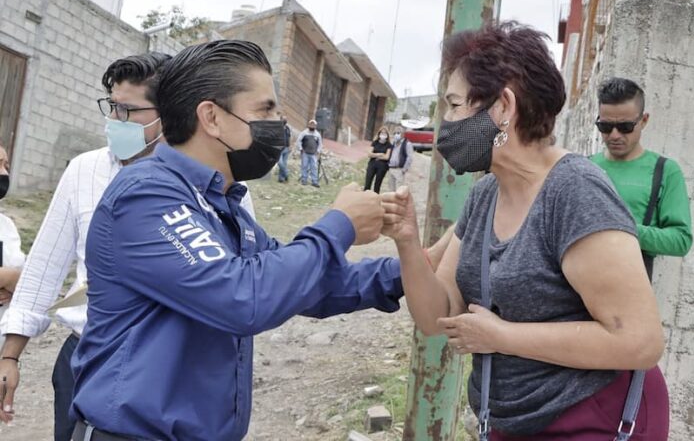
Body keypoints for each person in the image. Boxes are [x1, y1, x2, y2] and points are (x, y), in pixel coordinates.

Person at [67, 39, 407, 441]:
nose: (279, 123)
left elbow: (305, 284)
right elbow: (243, 297)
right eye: (265, 109)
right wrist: (340, 225)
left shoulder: (221, 205)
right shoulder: (146, 195)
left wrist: (411, 270)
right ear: (210, 117)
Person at [381, 22, 668, 440]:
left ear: (503, 107)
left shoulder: (574, 191)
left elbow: (641, 342)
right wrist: (407, 241)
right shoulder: (484, 196)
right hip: (511, 422)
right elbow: (437, 316)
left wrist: (503, 337)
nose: (447, 121)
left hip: (592, 418)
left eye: (456, 104)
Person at [0, 52, 256, 440]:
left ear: (171, 111)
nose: (115, 121)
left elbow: (240, 283)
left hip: (174, 371)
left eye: (129, 110)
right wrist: (9, 355)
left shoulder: (220, 184)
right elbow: (44, 267)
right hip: (88, 360)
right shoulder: (85, 171)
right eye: (112, 107)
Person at [590, 77, 692, 280]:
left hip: (629, 292)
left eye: (625, 126)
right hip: (573, 293)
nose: (614, 135)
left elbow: (681, 240)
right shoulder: (584, 167)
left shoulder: (665, 171)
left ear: (644, 120)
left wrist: (625, 229)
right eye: (605, 127)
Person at [0, 144, 25, 350]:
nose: (4, 172)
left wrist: (14, 280)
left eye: (6, 165)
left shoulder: (6, 225)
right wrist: (10, 278)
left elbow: (26, 282)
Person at [364, 126, 392, 193]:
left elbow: (386, 157)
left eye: (385, 133)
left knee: (377, 184)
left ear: (387, 135)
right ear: (379, 134)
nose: (383, 135)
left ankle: (375, 200)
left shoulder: (389, 145)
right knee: (368, 182)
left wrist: (375, 155)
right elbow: (369, 154)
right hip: (372, 164)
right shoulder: (375, 142)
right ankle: (365, 198)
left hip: (382, 166)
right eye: (381, 133)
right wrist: (380, 154)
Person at [296, 118, 322, 187]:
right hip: (305, 153)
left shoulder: (317, 134)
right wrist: (301, 149)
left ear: (315, 126)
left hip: (313, 154)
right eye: (311, 124)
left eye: (314, 125)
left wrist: (318, 151)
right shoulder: (304, 133)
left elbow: (320, 144)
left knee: (314, 167)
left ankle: (314, 181)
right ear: (309, 125)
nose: (312, 126)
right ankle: (304, 180)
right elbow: (298, 141)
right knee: (304, 166)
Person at [387, 126, 414, 192]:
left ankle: (397, 202)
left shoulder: (407, 144)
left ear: (403, 134)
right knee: (391, 190)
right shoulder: (394, 143)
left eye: (398, 133)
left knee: (399, 191)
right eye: (395, 133)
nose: (396, 134)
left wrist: (404, 169)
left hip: (399, 170)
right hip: (391, 169)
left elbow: (409, 157)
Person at [277, 113, 292, 183]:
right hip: (279, 148)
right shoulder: (277, 127)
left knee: (284, 163)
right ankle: (286, 174)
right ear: (280, 120)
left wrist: (290, 146)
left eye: (285, 119)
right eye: (283, 119)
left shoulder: (288, 128)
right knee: (280, 163)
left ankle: (281, 178)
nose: (284, 120)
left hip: (286, 148)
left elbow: (289, 137)